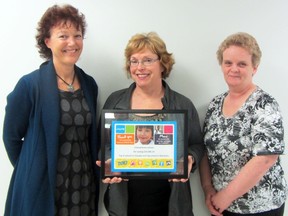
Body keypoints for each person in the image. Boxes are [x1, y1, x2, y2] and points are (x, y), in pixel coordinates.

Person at [3, 4, 99, 216]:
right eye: (63, 36)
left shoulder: (89, 84)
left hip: (82, 186)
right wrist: (32, 168)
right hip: (43, 188)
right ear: (47, 41)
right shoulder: (30, 85)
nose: (72, 42)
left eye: (77, 35)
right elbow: (11, 137)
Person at [98, 32, 204, 216]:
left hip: (171, 204)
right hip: (124, 204)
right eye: (134, 61)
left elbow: (197, 145)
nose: (140, 67)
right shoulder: (115, 101)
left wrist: (190, 159)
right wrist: (109, 163)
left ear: (163, 64)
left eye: (147, 60)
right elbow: (104, 145)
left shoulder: (182, 104)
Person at [199, 32, 287, 216]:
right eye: (228, 63)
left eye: (242, 64)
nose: (234, 69)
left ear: (254, 68)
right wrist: (208, 189)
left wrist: (226, 197)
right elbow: (205, 150)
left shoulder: (265, 104)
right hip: (221, 206)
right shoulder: (215, 104)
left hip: (260, 207)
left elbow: (265, 158)